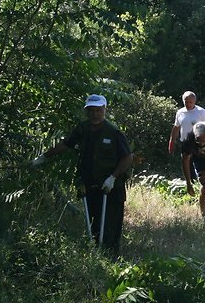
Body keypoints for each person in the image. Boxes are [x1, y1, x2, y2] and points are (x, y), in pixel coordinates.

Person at [31, 94, 132, 255]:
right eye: (91, 110)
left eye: (98, 110)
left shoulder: (114, 132)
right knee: (93, 221)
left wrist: (113, 178)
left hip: (111, 186)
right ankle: (95, 255)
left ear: (104, 110)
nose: (95, 114)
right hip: (89, 184)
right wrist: (43, 157)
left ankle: (111, 257)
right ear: (86, 111)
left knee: (111, 224)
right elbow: (66, 144)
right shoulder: (82, 129)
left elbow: (127, 157)